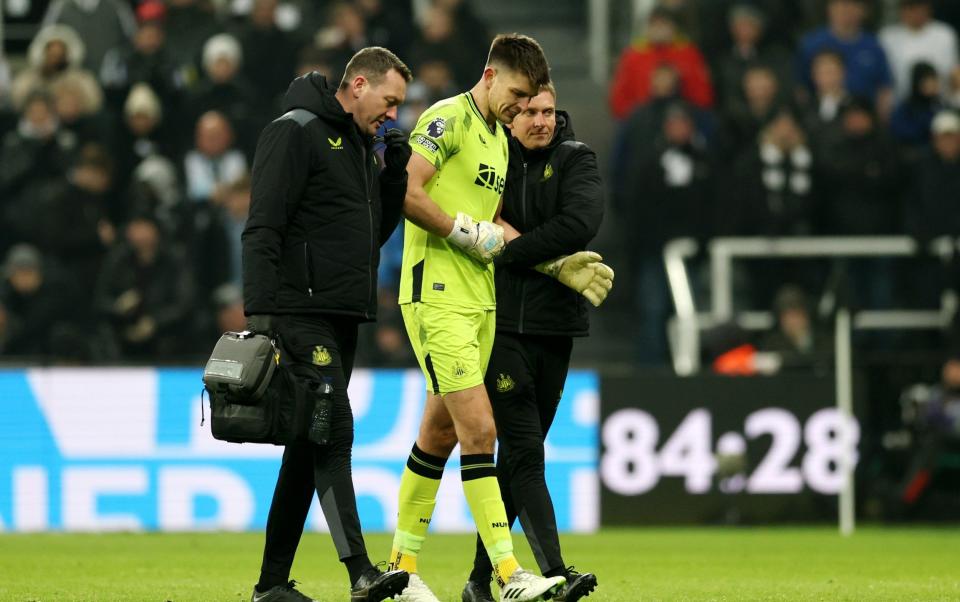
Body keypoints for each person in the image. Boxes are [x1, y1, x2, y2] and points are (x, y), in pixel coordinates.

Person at [388, 34, 577, 602]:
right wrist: (459, 231)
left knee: (439, 433)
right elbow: (407, 189)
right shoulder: (448, 118)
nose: (523, 108)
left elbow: (493, 224)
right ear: (490, 75)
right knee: (482, 431)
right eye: (518, 95)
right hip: (436, 293)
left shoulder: (498, 137)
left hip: (480, 299)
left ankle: (401, 569)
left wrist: (556, 263)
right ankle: (507, 573)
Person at [241, 47, 413, 602]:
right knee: (335, 431)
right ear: (358, 84)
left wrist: (395, 175)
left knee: (306, 441)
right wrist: (262, 316)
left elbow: (369, 237)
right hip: (298, 313)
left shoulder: (363, 145)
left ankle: (271, 586)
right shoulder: (295, 131)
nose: (393, 113)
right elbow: (262, 225)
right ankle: (360, 571)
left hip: (341, 314)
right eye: (389, 101)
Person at [458, 84, 603, 602]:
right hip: (496, 324)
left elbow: (580, 223)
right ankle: (555, 571)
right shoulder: (490, 155)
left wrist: (509, 244)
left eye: (547, 112)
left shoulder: (575, 158)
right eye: (530, 112)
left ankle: (480, 579)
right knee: (523, 449)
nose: (541, 121)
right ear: (512, 114)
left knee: (520, 458)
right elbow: (470, 222)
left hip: (555, 328)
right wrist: (546, 258)